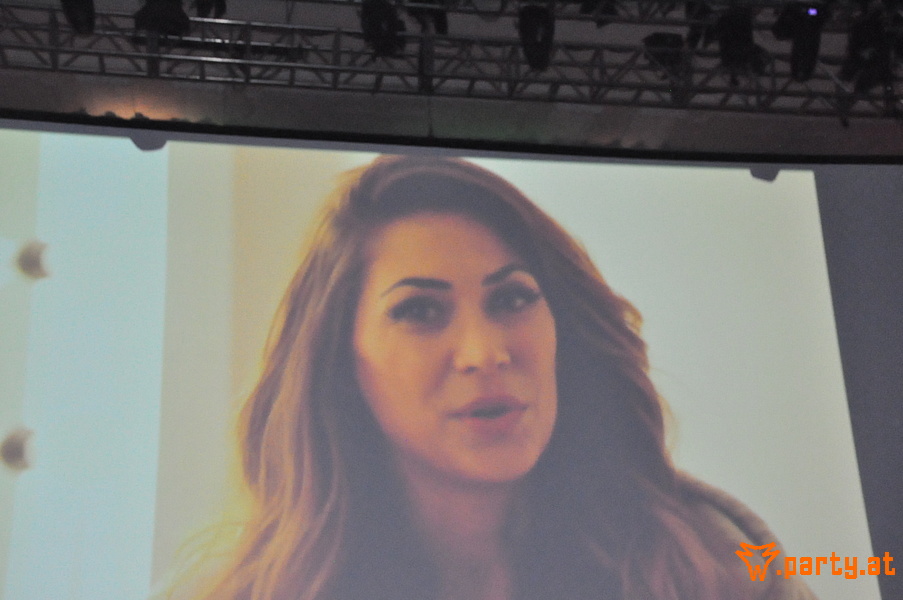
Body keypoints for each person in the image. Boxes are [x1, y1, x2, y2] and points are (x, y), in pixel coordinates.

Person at [181, 155, 817, 600]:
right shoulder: (251, 591)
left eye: (512, 300)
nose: (484, 353)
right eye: (420, 311)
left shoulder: (717, 562)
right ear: (340, 363)